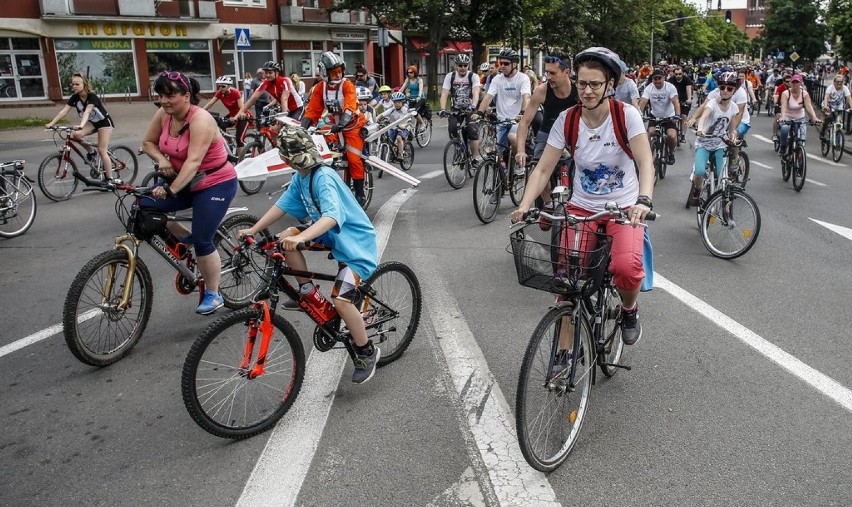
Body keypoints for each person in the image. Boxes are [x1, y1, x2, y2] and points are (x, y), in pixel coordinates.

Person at [512, 47, 654, 346]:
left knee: (626, 269)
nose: (587, 91)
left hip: (624, 208)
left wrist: (643, 200)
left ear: (610, 85)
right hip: (582, 207)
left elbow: (645, 163)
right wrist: (524, 206)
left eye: (595, 84)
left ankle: (629, 309)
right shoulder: (568, 119)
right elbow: (542, 170)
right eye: (581, 84)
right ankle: (563, 357)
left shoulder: (626, 116)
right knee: (567, 281)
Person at [238, 125, 380, 384]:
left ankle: (366, 351)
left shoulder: (323, 177)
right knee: (283, 240)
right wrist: (254, 229)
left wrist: (302, 237)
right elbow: (281, 207)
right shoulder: (300, 177)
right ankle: (307, 292)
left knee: (342, 302)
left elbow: (332, 216)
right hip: (333, 237)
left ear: (283, 158)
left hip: (356, 247)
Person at [141, 71, 239, 315]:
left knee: (203, 239)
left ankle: (214, 293)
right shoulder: (163, 115)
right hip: (181, 179)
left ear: (187, 96)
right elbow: (148, 144)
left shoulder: (201, 119)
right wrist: (161, 160)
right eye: (160, 95)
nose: (164, 100)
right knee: (144, 206)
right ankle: (184, 246)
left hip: (214, 183)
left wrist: (171, 190)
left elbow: (194, 162)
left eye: (170, 95)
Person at [300, 52, 368, 205]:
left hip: (352, 125)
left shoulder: (347, 85)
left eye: (339, 71)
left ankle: (360, 192)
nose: (337, 74)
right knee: (320, 147)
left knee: (354, 158)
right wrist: (303, 128)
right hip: (333, 124)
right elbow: (312, 110)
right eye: (333, 72)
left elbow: (350, 107)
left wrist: (342, 124)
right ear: (325, 73)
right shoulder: (319, 88)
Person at [516, 50, 577, 206]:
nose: (548, 77)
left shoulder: (579, 91)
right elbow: (525, 122)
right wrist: (521, 150)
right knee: (536, 169)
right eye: (546, 73)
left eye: (552, 73)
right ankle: (548, 204)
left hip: (573, 134)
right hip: (548, 133)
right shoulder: (542, 90)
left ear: (567, 72)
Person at [45, 72, 119, 183]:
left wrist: (81, 125)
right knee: (75, 135)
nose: (74, 86)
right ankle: (91, 153)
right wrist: (51, 123)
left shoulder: (92, 97)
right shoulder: (74, 98)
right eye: (73, 84)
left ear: (84, 84)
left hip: (104, 123)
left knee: (102, 150)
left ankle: (110, 179)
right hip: (92, 123)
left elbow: (87, 111)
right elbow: (64, 111)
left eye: (77, 84)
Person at [475, 48, 531, 171]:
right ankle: (503, 176)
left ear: (514, 64)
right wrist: (479, 112)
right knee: (499, 149)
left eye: (506, 64)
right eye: (501, 63)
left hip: (516, 120)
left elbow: (526, 97)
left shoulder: (523, 78)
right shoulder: (497, 79)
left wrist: (523, 113)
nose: (502, 66)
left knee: (513, 137)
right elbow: (488, 96)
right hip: (501, 120)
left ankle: (519, 164)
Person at [688, 73, 740, 206]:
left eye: (729, 88)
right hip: (704, 143)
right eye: (722, 87)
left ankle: (720, 200)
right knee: (699, 171)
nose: (725, 91)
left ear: (734, 90)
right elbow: (704, 116)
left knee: (721, 175)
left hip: (719, 145)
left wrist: (733, 137)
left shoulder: (734, 107)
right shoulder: (712, 103)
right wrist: (700, 129)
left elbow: (732, 128)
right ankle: (697, 190)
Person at [438, 53, 482, 162]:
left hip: (469, 109)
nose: (463, 68)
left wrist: (473, 106)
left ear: (468, 66)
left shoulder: (473, 76)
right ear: (456, 66)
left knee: (472, 131)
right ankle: (459, 149)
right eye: (460, 65)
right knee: (452, 129)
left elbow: (476, 92)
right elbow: (444, 93)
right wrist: (443, 109)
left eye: (465, 65)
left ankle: (475, 157)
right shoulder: (450, 76)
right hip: (455, 109)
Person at [638, 68, 680, 164]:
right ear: (652, 80)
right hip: (655, 115)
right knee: (650, 132)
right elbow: (643, 102)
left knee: (671, 135)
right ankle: (647, 156)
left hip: (669, 116)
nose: (657, 81)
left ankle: (670, 152)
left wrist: (677, 115)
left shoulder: (670, 87)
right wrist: (638, 114)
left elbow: (676, 102)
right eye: (655, 79)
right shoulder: (649, 88)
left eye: (659, 79)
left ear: (663, 78)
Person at [239, 61, 304, 121]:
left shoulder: (285, 80)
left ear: (277, 73)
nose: (267, 75)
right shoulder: (266, 83)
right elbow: (253, 98)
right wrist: (241, 112)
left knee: (292, 129)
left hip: (297, 108)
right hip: (287, 109)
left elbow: (284, 98)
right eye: (266, 73)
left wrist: (284, 117)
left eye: (270, 73)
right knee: (274, 129)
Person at [778, 73, 821, 157]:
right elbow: (783, 106)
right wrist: (783, 117)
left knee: (801, 140)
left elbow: (808, 106)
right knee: (784, 129)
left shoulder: (804, 94)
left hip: (800, 118)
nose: (795, 84)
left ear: (801, 83)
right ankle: (783, 147)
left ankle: (799, 158)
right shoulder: (786, 93)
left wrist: (814, 118)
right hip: (787, 117)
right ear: (790, 83)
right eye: (793, 82)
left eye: (797, 82)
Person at [202, 75, 251, 149]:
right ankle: (230, 143)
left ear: (229, 86)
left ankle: (241, 159)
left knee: (239, 139)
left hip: (242, 115)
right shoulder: (219, 93)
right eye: (219, 86)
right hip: (232, 115)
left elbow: (242, 108)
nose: (221, 88)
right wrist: (200, 111)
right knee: (221, 126)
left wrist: (235, 117)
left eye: (223, 86)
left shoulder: (235, 92)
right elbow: (210, 103)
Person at [376, 92, 411, 161]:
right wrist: (376, 120)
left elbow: (408, 121)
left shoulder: (405, 110)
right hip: (393, 128)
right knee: (388, 139)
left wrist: (404, 125)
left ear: (402, 102)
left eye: (399, 102)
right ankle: (392, 151)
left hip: (403, 128)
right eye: (395, 102)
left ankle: (400, 154)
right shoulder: (392, 109)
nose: (397, 104)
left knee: (398, 138)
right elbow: (382, 115)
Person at [820, 73, 852, 141]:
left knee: (838, 124)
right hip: (829, 106)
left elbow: (849, 98)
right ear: (834, 82)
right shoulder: (830, 88)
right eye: (837, 81)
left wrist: (851, 106)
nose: (839, 83)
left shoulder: (845, 88)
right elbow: (826, 97)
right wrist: (825, 106)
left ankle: (837, 143)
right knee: (828, 118)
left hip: (839, 108)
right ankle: (823, 131)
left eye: (841, 82)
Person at [667, 65, 693, 140]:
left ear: (682, 73)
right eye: (676, 74)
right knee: (673, 117)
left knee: (684, 116)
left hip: (685, 100)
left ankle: (683, 135)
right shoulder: (670, 80)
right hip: (674, 101)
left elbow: (688, 89)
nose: (678, 76)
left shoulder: (686, 79)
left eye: (680, 74)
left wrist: (689, 99)